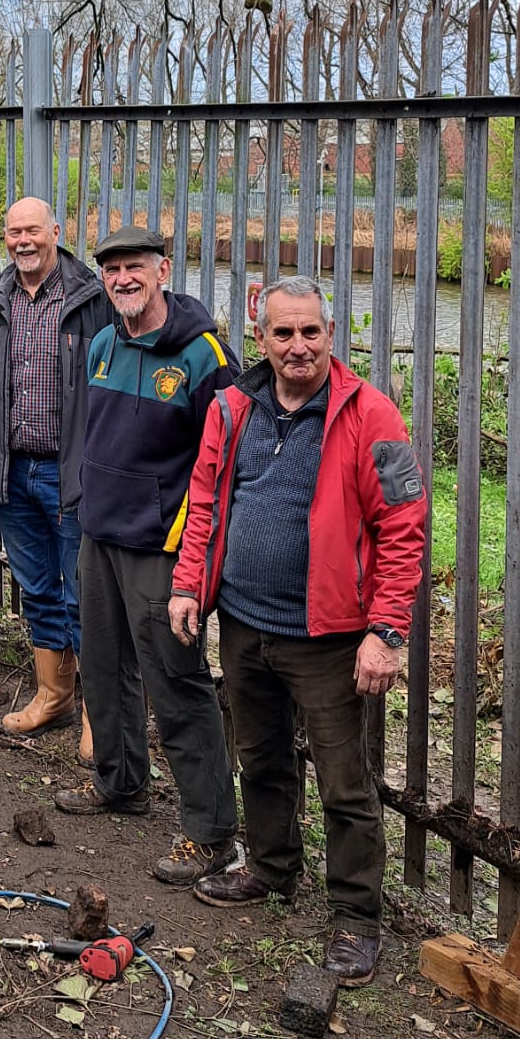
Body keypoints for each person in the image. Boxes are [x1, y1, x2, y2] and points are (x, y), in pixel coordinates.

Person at [170, 275, 427, 986]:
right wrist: (190, 584)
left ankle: (355, 919)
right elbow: (205, 501)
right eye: (283, 333)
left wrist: (386, 631)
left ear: (330, 334)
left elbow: (404, 528)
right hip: (246, 625)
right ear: (261, 339)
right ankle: (273, 870)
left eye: (310, 331)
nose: (298, 346)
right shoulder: (231, 409)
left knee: (346, 784)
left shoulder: (372, 415)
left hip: (330, 638)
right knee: (262, 758)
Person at [52, 226, 242, 888]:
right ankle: (121, 782)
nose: (123, 279)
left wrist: (192, 551)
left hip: (161, 548)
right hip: (99, 535)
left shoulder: (203, 355)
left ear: (163, 270)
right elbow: (88, 432)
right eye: (112, 270)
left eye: (135, 267)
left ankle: (211, 833)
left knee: (178, 683)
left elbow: (221, 466)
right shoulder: (104, 344)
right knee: (102, 671)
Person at [0, 197, 111, 737]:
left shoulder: (92, 299)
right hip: (14, 476)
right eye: (12, 232)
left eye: (32, 231)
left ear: (55, 231)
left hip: (74, 476)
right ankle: (55, 695)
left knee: (83, 593)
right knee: (38, 589)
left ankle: (100, 713)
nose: (22, 241)